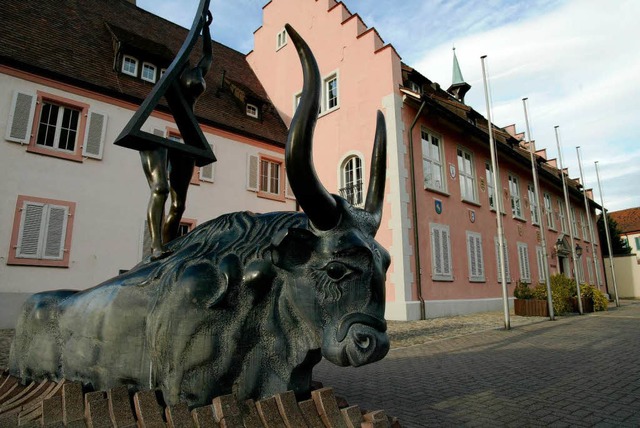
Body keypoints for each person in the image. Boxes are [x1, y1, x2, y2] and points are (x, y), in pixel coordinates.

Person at [141, 11, 213, 260]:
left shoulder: (198, 71)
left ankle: (169, 245)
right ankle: (155, 247)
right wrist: (198, 30)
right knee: (160, 188)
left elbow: (208, 56)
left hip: (189, 142)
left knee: (179, 204)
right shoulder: (176, 72)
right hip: (156, 144)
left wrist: (207, 30)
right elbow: (188, 51)